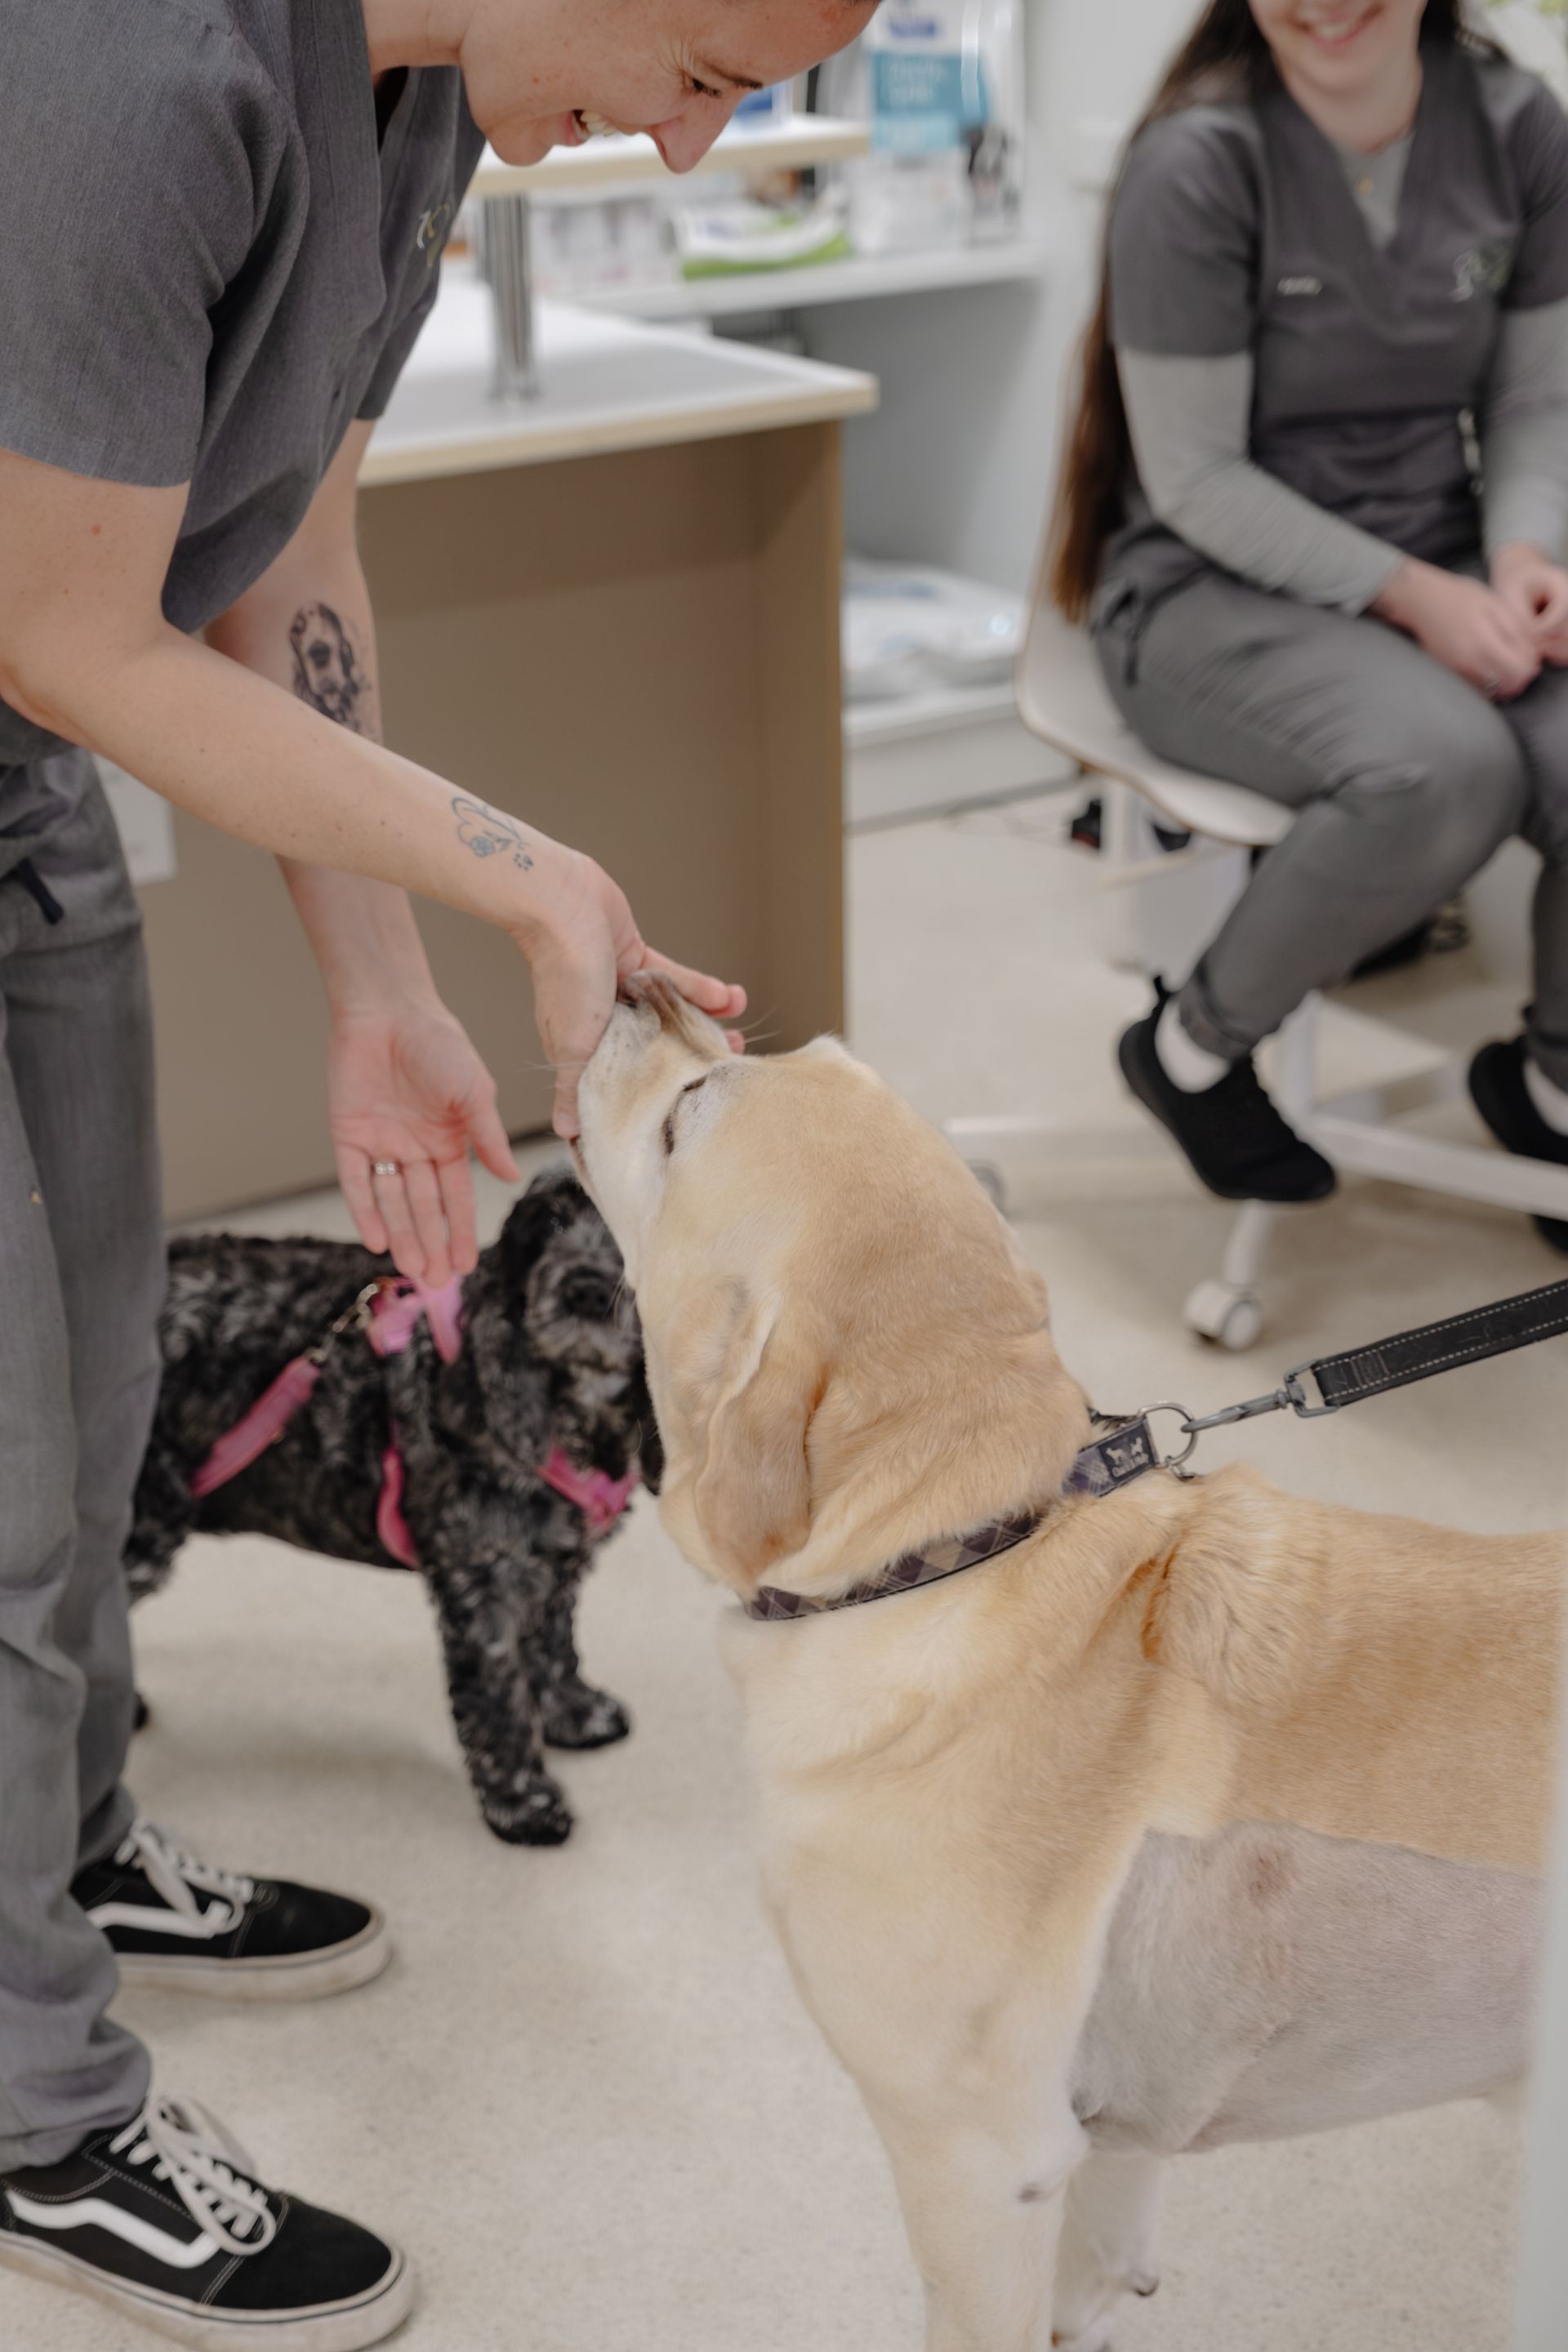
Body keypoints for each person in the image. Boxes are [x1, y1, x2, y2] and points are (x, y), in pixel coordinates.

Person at [0, 2, 872, 2344]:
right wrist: (519, 867)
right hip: (34, 676)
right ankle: (37, 2106)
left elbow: (290, 553)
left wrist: (381, 986)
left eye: (747, 107)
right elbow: (68, 622)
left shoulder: (426, 107)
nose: (690, 149)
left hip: (23, 781)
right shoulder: (140, 62)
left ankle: (62, 1866)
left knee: (97, 1411)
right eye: (702, 63)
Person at [1051, 0, 1568, 1246]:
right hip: (1206, 591)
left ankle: (1552, 1086)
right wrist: (1417, 595)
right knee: (1442, 767)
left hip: (1446, 556)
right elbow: (1197, 481)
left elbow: (1537, 393)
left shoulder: (1514, 127)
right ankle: (1191, 1046)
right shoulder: (1202, 161)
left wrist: (1523, 548)